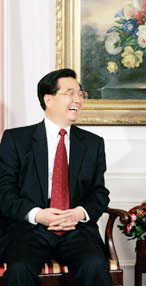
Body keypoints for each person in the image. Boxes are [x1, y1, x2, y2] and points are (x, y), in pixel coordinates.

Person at [0, 69, 112, 285]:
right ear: (48, 99)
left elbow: (99, 192)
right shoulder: (16, 140)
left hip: (76, 230)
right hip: (29, 229)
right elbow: (4, 191)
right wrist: (38, 215)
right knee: (20, 269)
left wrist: (79, 213)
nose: (77, 100)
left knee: (94, 266)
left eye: (80, 94)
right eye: (70, 93)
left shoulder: (93, 143)